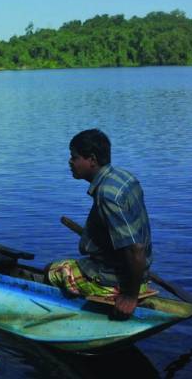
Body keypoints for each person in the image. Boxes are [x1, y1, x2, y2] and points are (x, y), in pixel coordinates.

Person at [46, 129, 153, 319]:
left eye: (75, 157)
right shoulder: (124, 177)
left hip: (114, 283)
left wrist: (129, 296)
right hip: (138, 276)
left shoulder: (108, 195)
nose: (70, 162)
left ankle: (66, 313)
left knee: (52, 270)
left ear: (92, 160)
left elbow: (136, 249)